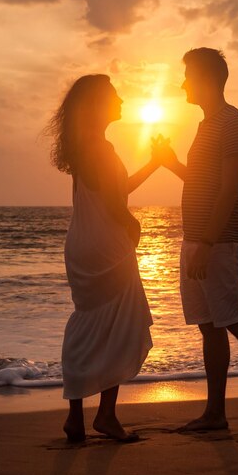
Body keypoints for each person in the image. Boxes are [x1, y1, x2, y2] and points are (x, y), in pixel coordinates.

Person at [153, 48, 238, 434]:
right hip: (199, 241)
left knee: (237, 321)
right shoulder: (206, 125)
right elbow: (203, 183)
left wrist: (207, 241)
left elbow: (230, 190)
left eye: (188, 75)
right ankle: (215, 414)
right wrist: (169, 161)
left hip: (222, 243)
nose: (183, 83)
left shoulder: (235, 123)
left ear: (207, 79)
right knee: (210, 326)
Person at [47, 74, 156, 443]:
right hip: (107, 244)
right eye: (114, 94)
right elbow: (114, 201)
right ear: (98, 104)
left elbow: (114, 190)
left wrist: (154, 163)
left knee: (86, 324)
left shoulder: (84, 146)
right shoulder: (101, 148)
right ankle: (106, 415)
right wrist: (132, 221)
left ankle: (76, 418)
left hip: (81, 244)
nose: (121, 98)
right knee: (123, 323)